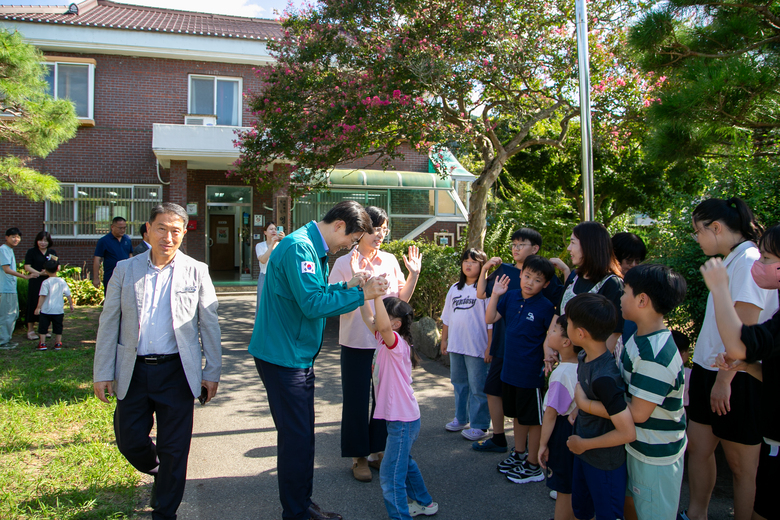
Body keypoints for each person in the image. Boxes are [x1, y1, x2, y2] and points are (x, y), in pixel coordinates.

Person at [248, 200, 389, 520]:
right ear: (339, 225)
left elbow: (311, 293)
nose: (348, 246)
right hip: (285, 357)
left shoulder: (308, 245)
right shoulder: (300, 248)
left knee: (300, 437)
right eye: (351, 239)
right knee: (297, 440)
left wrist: (348, 285)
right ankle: (298, 512)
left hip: (291, 354)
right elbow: (312, 304)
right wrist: (361, 294)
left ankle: (302, 504)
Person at [93, 203, 222, 520]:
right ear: (148, 230)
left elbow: (209, 324)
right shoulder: (125, 270)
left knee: (175, 449)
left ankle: (165, 512)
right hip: (133, 371)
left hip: (177, 372)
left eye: (176, 230)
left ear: (183, 234)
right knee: (130, 440)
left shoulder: (196, 270)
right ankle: (160, 471)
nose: (168, 236)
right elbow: (109, 323)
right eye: (162, 228)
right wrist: (102, 372)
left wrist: (212, 372)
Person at [684, 197, 777, 520]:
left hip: (737, 376)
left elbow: (747, 329)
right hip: (709, 369)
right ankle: (697, 513)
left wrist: (725, 381)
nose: (697, 238)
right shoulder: (731, 259)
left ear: (717, 228)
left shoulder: (751, 259)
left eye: (698, 231)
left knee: (741, 465)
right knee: (698, 447)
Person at [577, 264, 688, 520]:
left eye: (624, 292)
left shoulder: (655, 356)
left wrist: (584, 404)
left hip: (654, 457)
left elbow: (637, 413)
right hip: (638, 448)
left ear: (642, 300)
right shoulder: (640, 338)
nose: (620, 298)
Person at [328, 206, 421, 482]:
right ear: (362, 230)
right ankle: (358, 457)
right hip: (356, 342)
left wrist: (413, 274)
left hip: (387, 346)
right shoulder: (345, 263)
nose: (381, 233)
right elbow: (333, 303)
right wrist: (357, 285)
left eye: (385, 228)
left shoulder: (390, 261)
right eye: (376, 228)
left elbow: (400, 301)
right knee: (356, 401)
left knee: (385, 399)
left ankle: (378, 451)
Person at [473, 228, 563, 454]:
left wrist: (548, 350)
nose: (516, 248)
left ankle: (532, 458)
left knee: (529, 411)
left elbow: (556, 315)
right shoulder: (508, 277)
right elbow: (486, 301)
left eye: (521, 244)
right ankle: (507, 443)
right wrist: (487, 272)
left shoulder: (545, 286)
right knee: (496, 391)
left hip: (529, 359)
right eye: (514, 244)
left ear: (535, 248)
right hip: (506, 348)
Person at [358, 296, 437, 520]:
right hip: (403, 419)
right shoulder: (384, 340)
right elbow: (368, 316)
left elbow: (380, 323)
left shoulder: (395, 344)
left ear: (396, 325)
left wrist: (375, 296)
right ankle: (425, 503)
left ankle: (400, 516)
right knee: (405, 462)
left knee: (390, 474)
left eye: (384, 312)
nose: (378, 316)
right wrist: (364, 291)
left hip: (403, 421)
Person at [564, 293, 636, 520]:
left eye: (568, 323)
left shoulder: (605, 377)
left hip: (604, 464)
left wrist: (583, 444)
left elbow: (627, 432)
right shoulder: (585, 356)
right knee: (582, 509)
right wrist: (579, 408)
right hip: (585, 454)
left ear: (580, 333)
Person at [486, 256, 556, 484]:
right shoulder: (511, 296)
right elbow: (490, 318)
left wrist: (549, 354)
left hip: (530, 373)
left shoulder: (545, 307)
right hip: (510, 369)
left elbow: (551, 336)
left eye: (537, 280)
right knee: (517, 416)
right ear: (521, 274)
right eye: (527, 276)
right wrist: (495, 294)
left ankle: (534, 464)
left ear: (545, 284)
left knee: (533, 419)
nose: (529, 282)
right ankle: (518, 453)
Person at [545, 221, 625, 372]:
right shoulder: (574, 276)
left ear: (590, 246)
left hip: (591, 371)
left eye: (573, 243)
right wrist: (548, 344)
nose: (569, 248)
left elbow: (614, 335)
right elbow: (558, 314)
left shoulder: (613, 284)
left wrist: (590, 370)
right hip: (565, 364)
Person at [441, 248, 492, 442]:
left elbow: (490, 321)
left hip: (477, 347)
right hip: (456, 345)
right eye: (465, 261)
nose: (468, 265)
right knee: (459, 384)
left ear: (482, 265)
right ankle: (461, 419)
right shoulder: (455, 288)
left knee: (478, 387)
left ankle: (479, 425)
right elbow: (447, 317)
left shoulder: (485, 289)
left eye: (474, 261)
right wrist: (444, 340)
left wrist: (489, 347)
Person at [538, 315, 578, 520]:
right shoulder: (583, 367)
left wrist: (542, 444)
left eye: (554, 331)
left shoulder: (561, 374)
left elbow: (551, 415)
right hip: (578, 431)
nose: (549, 333)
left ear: (566, 342)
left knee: (564, 487)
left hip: (562, 433)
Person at [1, 227, 38, 349]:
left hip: (10, 288)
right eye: (13, 236)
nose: (16, 239)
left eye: (18, 237)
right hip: (5, 289)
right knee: (7, 315)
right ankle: (3, 341)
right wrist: (25, 277)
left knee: (13, 314)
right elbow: (6, 269)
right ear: (6, 237)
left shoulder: (9, 250)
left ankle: (7, 339)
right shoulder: (3, 249)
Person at [24, 231, 57, 341]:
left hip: (48, 281)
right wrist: (39, 273)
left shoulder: (52, 252)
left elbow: (57, 266)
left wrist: (47, 272)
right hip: (35, 281)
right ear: (37, 241)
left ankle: (44, 328)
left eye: (45, 241)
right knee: (33, 303)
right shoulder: (31, 252)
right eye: (40, 240)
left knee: (47, 304)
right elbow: (27, 266)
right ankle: (30, 330)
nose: (43, 243)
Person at [33, 259, 73, 351]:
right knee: (58, 327)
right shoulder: (62, 281)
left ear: (45, 271)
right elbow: (68, 294)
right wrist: (71, 304)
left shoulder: (46, 282)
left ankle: (42, 343)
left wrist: (38, 307)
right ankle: (58, 343)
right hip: (58, 310)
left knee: (43, 327)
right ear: (58, 268)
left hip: (46, 310)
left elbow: (42, 295)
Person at [93, 216, 133, 292]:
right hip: (111, 276)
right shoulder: (104, 241)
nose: (123, 230)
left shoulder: (127, 239)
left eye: (124, 228)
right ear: (112, 227)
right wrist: (96, 278)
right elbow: (97, 259)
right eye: (120, 228)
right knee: (111, 301)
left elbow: (130, 255)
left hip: (126, 276)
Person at [255, 221, 284, 309]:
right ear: (265, 232)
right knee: (262, 304)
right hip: (264, 276)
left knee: (277, 304)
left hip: (278, 277)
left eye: (275, 229)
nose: (274, 231)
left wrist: (285, 240)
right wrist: (271, 245)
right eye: (270, 229)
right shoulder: (259, 245)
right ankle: (261, 323)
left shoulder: (281, 245)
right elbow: (263, 260)